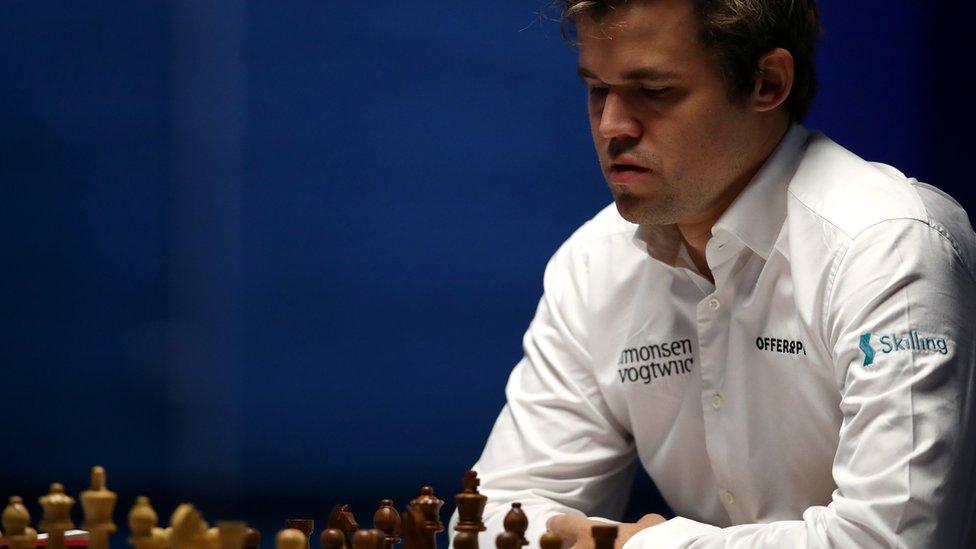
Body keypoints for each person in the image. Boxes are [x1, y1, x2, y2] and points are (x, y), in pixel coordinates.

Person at [449, 0, 976, 547]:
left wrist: (639, 546)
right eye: (597, 89)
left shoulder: (888, 247)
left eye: (653, 91)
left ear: (767, 83)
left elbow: (889, 541)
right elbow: (494, 516)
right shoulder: (593, 262)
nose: (611, 126)